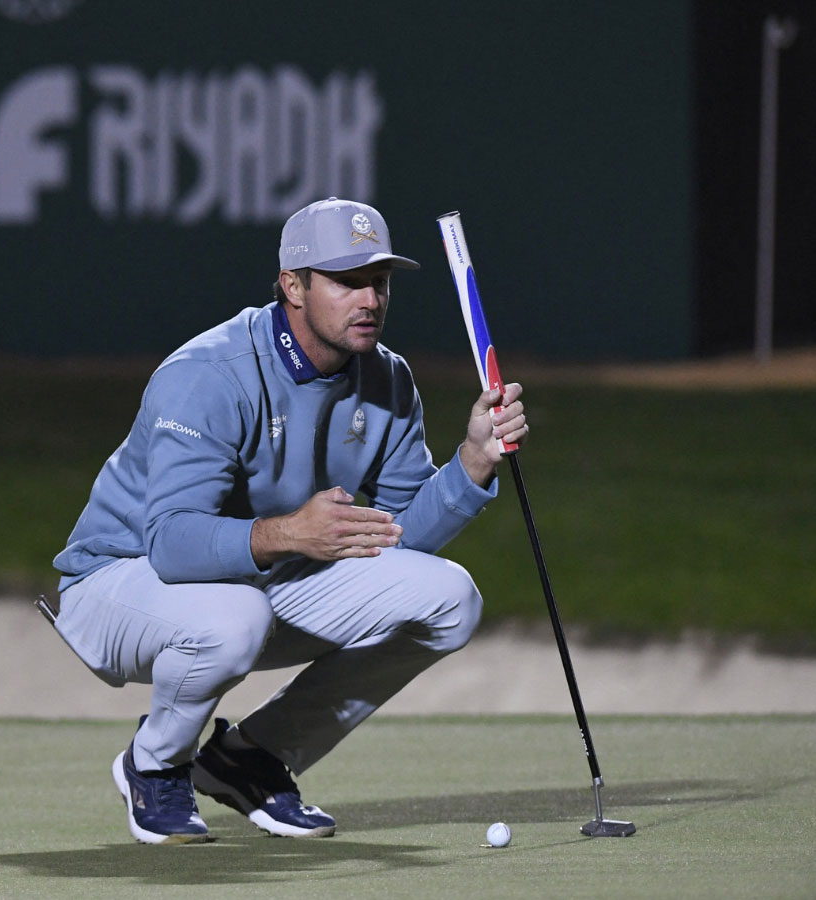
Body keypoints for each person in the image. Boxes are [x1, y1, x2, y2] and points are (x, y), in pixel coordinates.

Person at [48, 197, 528, 844]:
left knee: (449, 598)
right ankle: (156, 764)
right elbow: (170, 542)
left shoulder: (387, 379)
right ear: (293, 286)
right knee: (235, 617)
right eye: (347, 282)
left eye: (379, 282)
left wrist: (471, 463)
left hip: (256, 582)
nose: (370, 300)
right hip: (119, 584)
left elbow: (397, 540)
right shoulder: (210, 375)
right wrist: (289, 533)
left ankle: (251, 759)